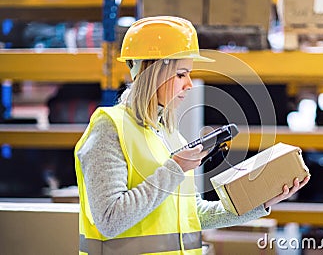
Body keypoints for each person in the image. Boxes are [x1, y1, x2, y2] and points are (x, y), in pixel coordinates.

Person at [74, 16, 310, 255]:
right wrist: (175, 168)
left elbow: (193, 214)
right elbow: (110, 220)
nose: (189, 84)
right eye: (181, 75)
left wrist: (261, 203)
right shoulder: (110, 128)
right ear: (152, 72)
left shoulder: (169, 135)